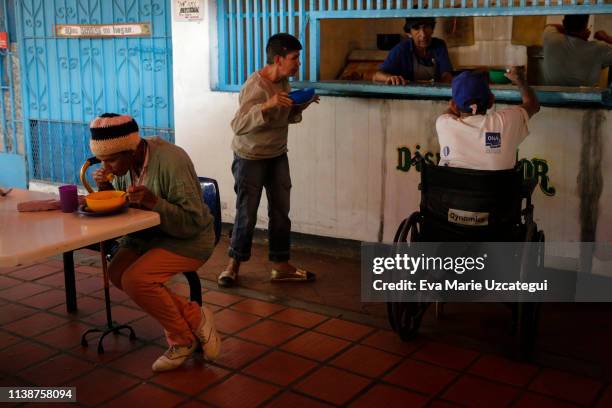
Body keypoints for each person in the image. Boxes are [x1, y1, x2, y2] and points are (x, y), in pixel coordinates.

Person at [90, 113, 221, 372]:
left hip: (189, 239)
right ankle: (196, 317)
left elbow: (192, 221)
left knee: (136, 279)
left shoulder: (172, 160)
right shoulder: (125, 165)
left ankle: (182, 340)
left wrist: (155, 203)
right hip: (145, 235)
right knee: (116, 272)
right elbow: (122, 207)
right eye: (102, 161)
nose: (109, 167)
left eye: (112, 160)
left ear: (133, 149)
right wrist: (105, 188)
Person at [218, 33, 319, 288]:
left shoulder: (284, 82)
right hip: (250, 158)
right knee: (246, 214)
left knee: (281, 213)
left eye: (299, 58)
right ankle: (233, 265)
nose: (298, 64)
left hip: (277, 155)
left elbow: (282, 117)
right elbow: (238, 125)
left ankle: (281, 265)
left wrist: (300, 106)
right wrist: (266, 105)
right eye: (294, 58)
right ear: (278, 59)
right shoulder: (256, 86)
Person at [436, 68, 540, 170]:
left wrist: (460, 104)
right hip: (498, 187)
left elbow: (449, 113)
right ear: (491, 101)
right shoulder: (506, 121)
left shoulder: (444, 124)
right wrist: (520, 80)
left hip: (451, 187)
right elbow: (533, 104)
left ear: (454, 105)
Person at [373, 17, 453, 85]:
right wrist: (390, 77)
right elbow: (377, 76)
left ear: (432, 29)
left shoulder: (439, 45)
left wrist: (442, 83)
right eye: (416, 28)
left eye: (426, 27)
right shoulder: (402, 49)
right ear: (409, 33)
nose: (423, 34)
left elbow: (446, 73)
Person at [542, 14, 612, 87]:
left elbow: (549, 26)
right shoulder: (599, 48)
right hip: (587, 97)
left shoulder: (550, 38)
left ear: (563, 22)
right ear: (585, 25)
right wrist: (606, 38)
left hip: (552, 96)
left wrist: (570, 30)